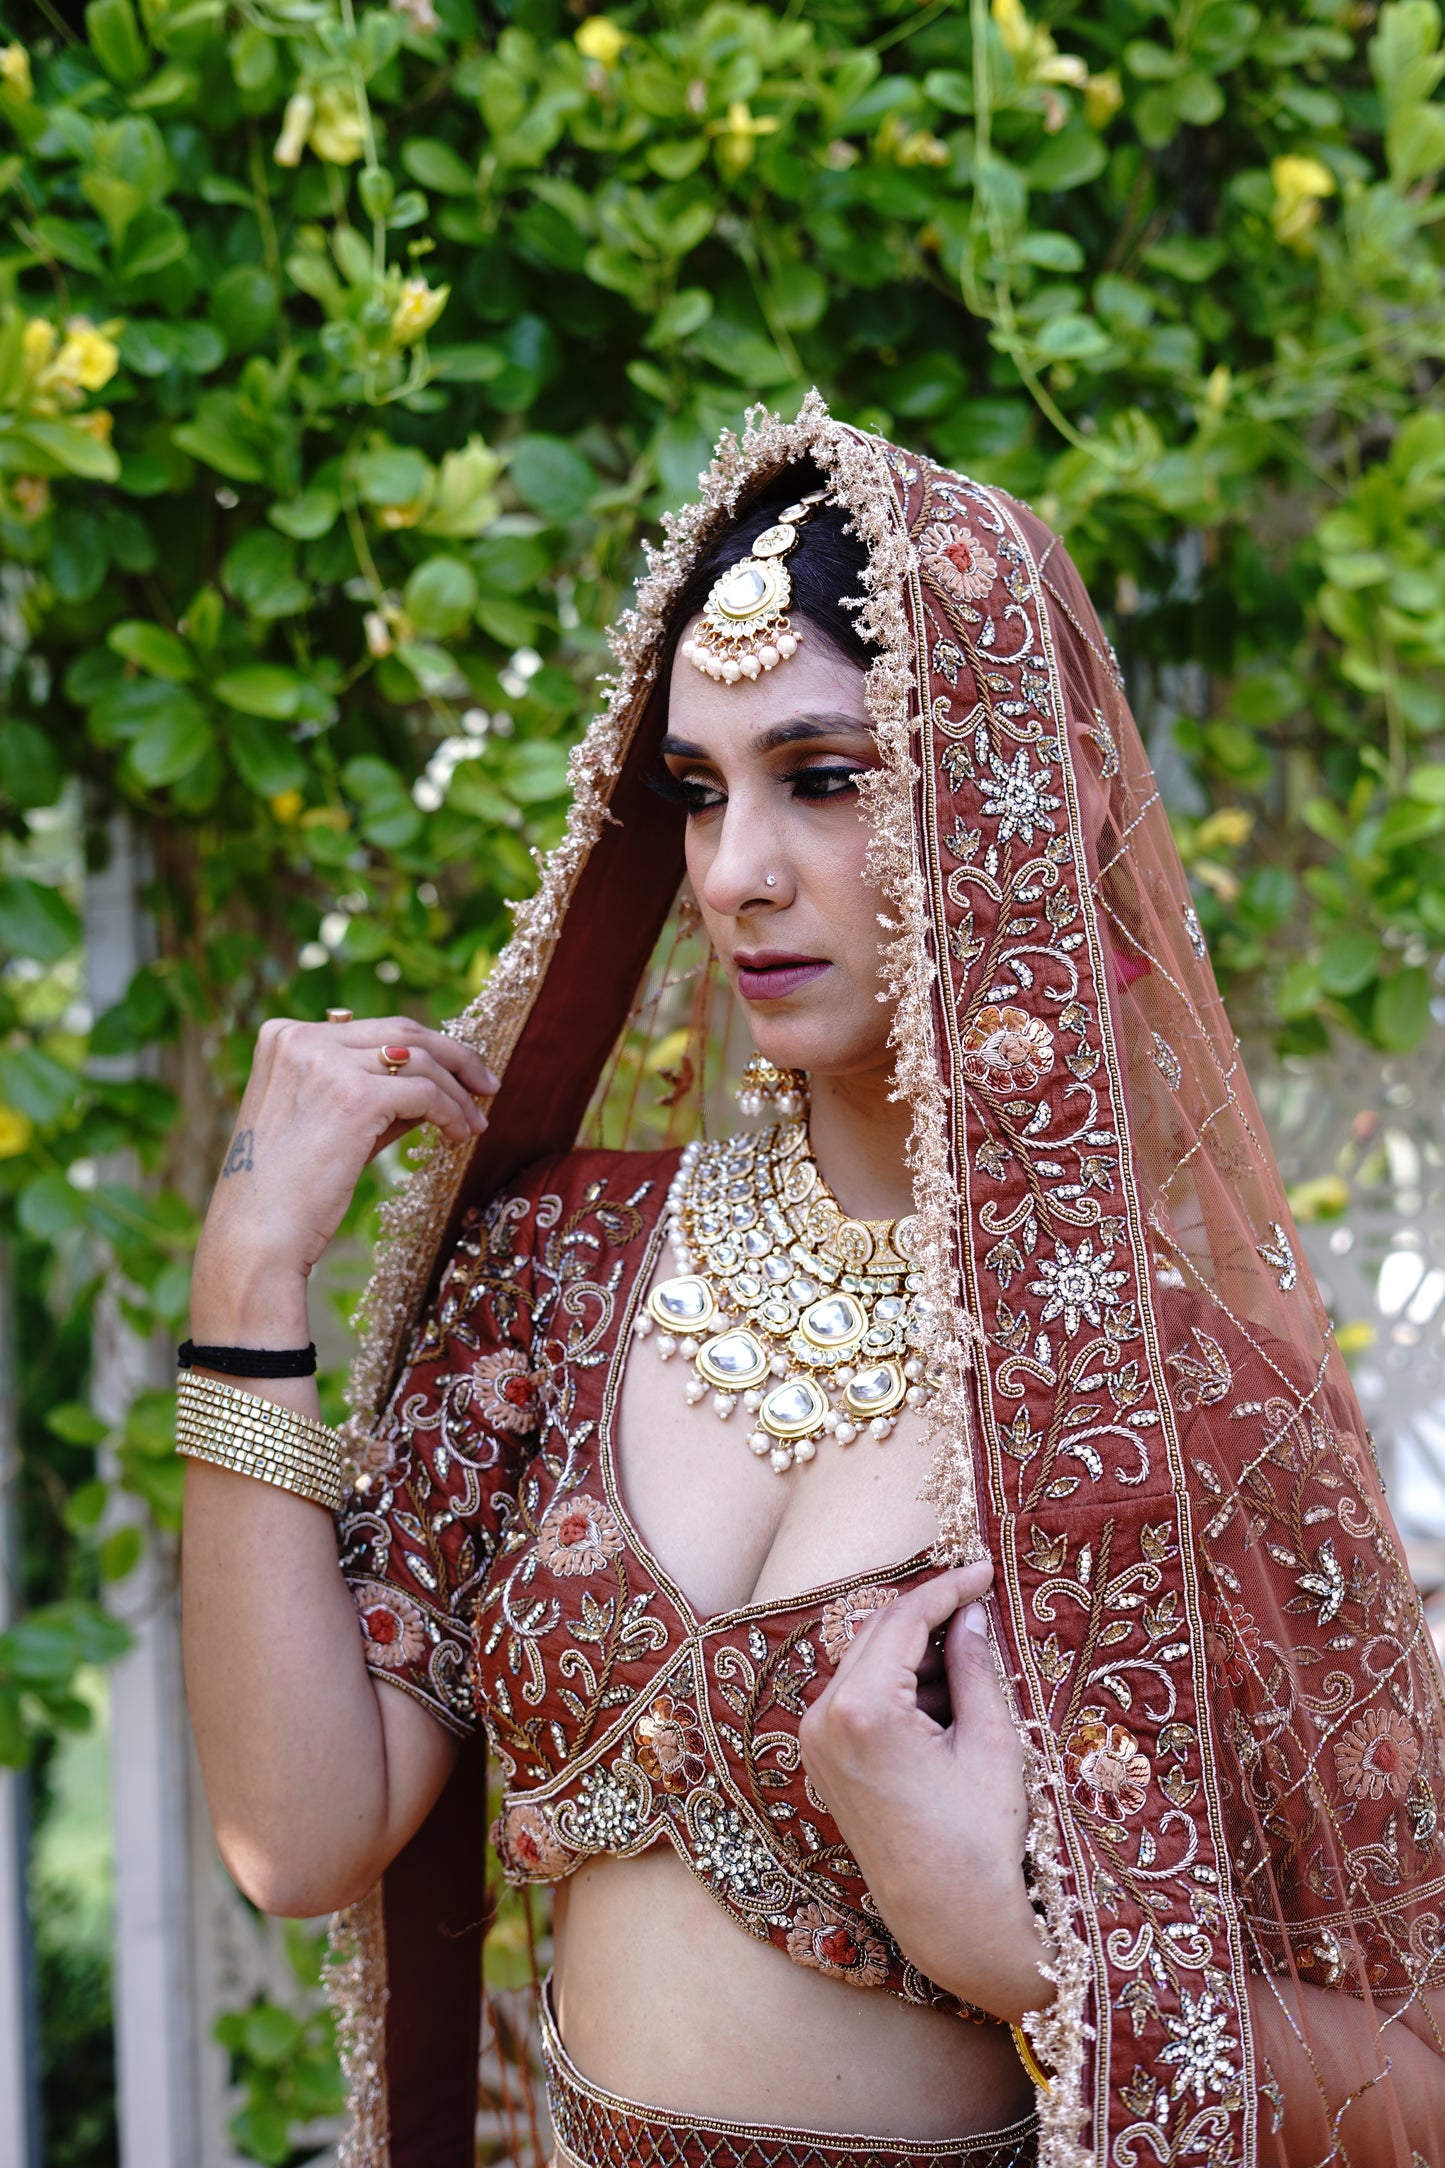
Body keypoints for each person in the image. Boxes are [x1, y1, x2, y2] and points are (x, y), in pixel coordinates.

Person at [180, 396, 1445, 2168]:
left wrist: (1034, 1963)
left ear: (1016, 794)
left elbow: (1417, 2083)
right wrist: (250, 1269)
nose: (735, 874)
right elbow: (298, 1834)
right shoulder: (564, 1268)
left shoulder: (1176, 1402)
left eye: (825, 778)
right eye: (696, 795)